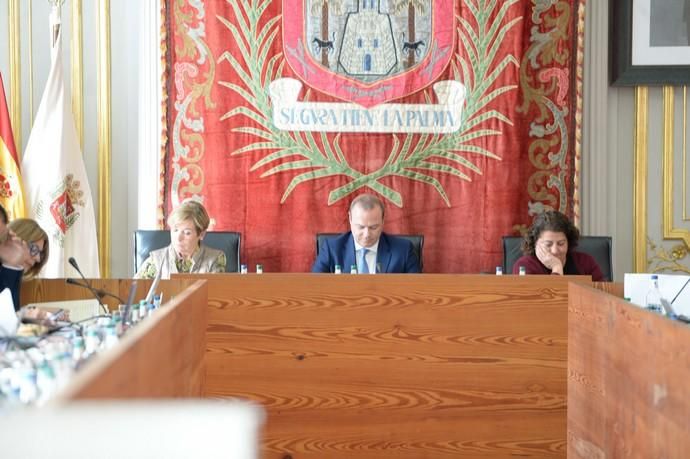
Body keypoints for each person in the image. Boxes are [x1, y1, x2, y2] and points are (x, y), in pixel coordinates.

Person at [311, 194, 420, 273]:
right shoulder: (331, 249)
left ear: (383, 221)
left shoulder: (403, 250)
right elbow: (314, 289)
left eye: (373, 227)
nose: (367, 234)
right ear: (350, 219)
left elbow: (417, 292)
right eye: (360, 227)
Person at [135, 200, 226, 279]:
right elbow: (133, 292)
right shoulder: (156, 260)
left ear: (201, 234)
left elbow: (216, 295)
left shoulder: (214, 258)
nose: (178, 238)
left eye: (187, 233)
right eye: (175, 230)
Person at [512, 210, 604, 281]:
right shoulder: (524, 266)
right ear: (536, 243)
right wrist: (557, 268)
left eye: (561, 243)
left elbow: (603, 296)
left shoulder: (586, 262)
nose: (555, 250)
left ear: (568, 241)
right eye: (548, 244)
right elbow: (547, 302)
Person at [6, 218, 50, 315]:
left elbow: (9, 316)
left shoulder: (13, 275)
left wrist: (48, 312)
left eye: (40, 253)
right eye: (34, 249)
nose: (38, 259)